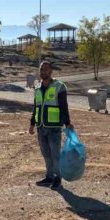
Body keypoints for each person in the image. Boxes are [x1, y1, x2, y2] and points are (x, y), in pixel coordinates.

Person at [29, 61, 73, 190]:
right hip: (41, 126)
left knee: (55, 154)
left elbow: (64, 107)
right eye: (41, 69)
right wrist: (32, 123)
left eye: (46, 69)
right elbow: (36, 107)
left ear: (51, 71)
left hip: (54, 127)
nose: (43, 72)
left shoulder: (59, 86)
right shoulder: (37, 87)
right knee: (46, 154)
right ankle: (49, 177)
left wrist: (68, 123)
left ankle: (58, 178)